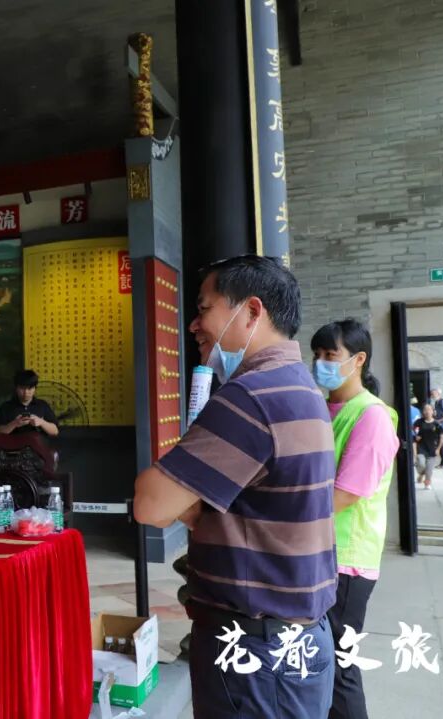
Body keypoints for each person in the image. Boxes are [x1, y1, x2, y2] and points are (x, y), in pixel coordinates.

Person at [132, 255, 336, 719]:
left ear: (251, 311)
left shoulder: (251, 396)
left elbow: (151, 504)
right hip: (295, 639)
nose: (193, 325)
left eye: (204, 308)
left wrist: (188, 500)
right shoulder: (299, 386)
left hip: (254, 651)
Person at [311, 319, 399, 719]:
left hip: (346, 561)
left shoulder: (371, 416)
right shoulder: (323, 408)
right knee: (319, 663)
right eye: (316, 354)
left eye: (331, 355)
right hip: (319, 552)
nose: (321, 363)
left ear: (359, 359)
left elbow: (345, 494)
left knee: (340, 668)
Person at [0, 369, 60, 437]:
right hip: (14, 443)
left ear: (35, 389)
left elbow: (55, 432)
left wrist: (41, 422)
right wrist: (14, 423)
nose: (26, 392)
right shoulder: (6, 407)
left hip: (38, 443)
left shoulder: (42, 405)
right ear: (16, 388)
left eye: (30, 388)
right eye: (22, 388)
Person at [413, 404, 443, 490]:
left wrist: (438, 449)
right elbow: (413, 434)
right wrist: (416, 436)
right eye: (425, 410)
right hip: (421, 448)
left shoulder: (437, 424)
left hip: (432, 450)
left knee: (429, 469)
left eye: (429, 410)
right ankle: (421, 474)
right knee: (421, 464)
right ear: (423, 412)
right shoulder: (418, 422)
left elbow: (442, 436)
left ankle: (427, 483)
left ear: (433, 412)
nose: (427, 412)